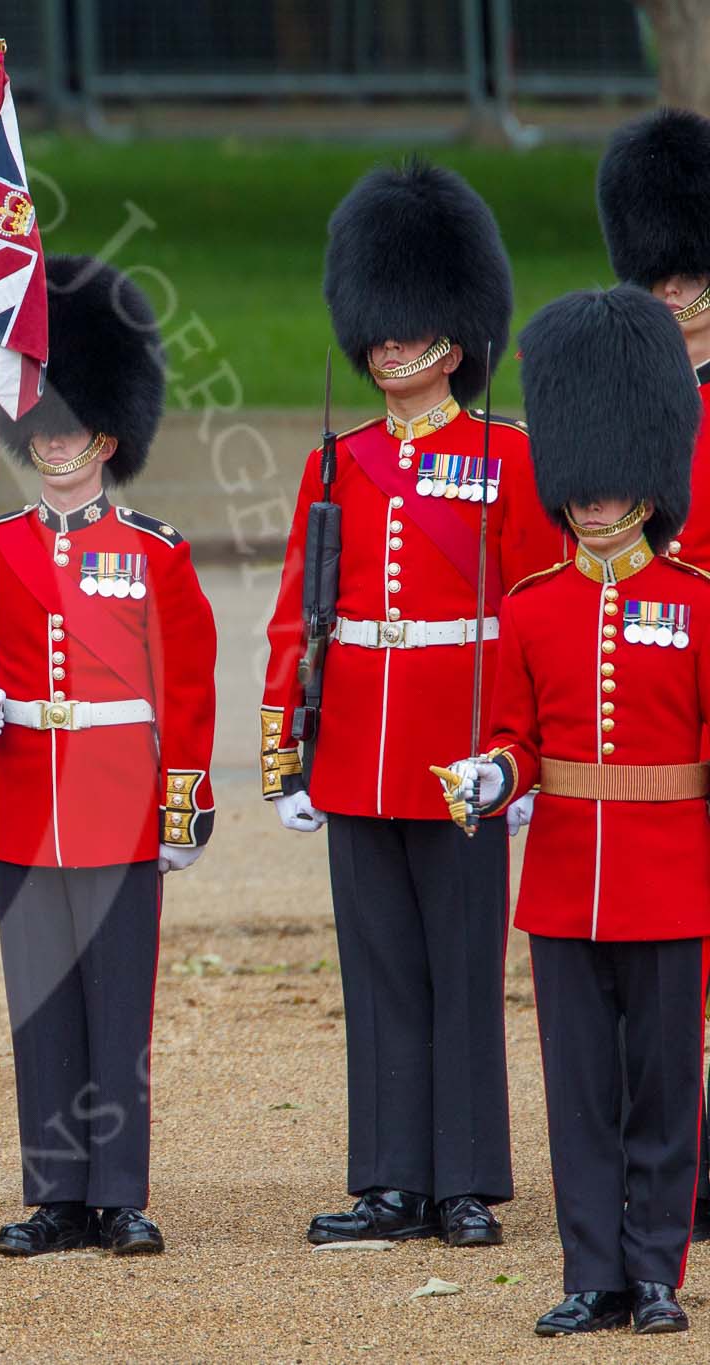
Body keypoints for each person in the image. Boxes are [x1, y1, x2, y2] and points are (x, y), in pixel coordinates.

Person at [259, 159, 561, 1248]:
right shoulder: (332, 465)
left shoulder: (505, 458)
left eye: (410, 327)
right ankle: (388, 1177)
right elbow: (296, 620)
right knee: (377, 969)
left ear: (454, 333)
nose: (389, 347)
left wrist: (521, 755)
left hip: (460, 751)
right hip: (353, 747)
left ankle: (463, 1179)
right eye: (377, 329)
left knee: (461, 969)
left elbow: (533, 614)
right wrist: (286, 759)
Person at [438, 285, 704, 1337]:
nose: (589, 504)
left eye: (605, 489)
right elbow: (517, 737)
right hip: (561, 882)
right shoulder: (530, 607)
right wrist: (490, 779)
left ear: (642, 483)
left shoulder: (693, 604)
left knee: (660, 1089)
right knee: (578, 1092)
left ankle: (653, 1271)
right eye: (577, 491)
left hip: (669, 873)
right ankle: (590, 1270)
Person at [0, 256, 217, 1257]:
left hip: (117, 802)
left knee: (116, 1006)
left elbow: (185, 690)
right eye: (42, 431)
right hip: (23, 797)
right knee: (41, 1008)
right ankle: (53, 1194)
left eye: (73, 431)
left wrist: (182, 806)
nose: (54, 446)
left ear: (107, 438)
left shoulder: (153, 551)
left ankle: (118, 1192)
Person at [598, 107, 710, 1240]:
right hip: (646, 689)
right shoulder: (625, 399)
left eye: (688, 273)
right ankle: (666, 1158)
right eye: (658, 275)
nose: (671, 291)